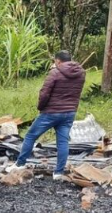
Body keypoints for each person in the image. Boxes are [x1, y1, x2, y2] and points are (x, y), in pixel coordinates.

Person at [7, 51, 85, 181]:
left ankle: (20, 164)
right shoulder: (81, 73)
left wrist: (41, 107)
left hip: (51, 112)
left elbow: (44, 93)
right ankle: (58, 173)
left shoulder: (55, 73)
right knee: (63, 142)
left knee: (31, 136)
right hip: (70, 112)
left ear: (58, 61)